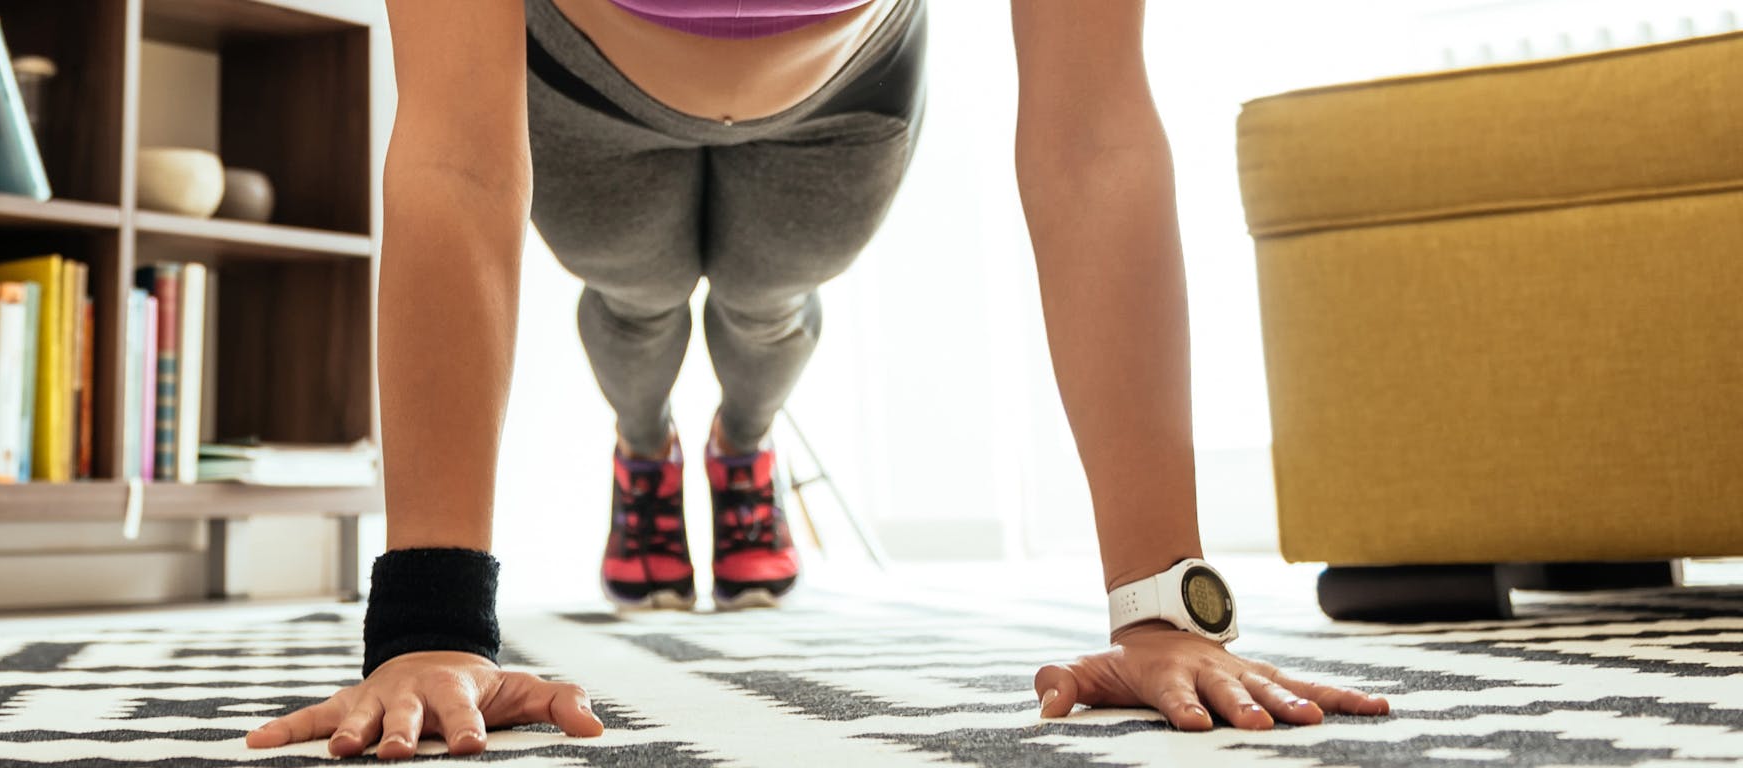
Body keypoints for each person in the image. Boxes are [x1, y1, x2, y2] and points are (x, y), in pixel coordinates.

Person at [245, 0, 1392, 759]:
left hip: (842, 97)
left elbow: (1095, 135)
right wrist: (431, 624)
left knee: (763, 299)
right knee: (640, 301)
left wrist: (1161, 609)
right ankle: (647, 449)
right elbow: (452, 157)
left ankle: (742, 440)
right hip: (584, 99)